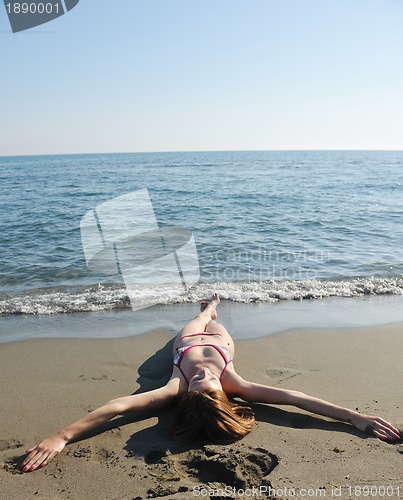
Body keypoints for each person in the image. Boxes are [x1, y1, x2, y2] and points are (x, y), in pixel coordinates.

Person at [22, 294, 401, 472]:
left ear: (188, 396)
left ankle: (206, 309)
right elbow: (295, 398)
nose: (204, 377)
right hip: (221, 343)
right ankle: (211, 310)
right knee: (213, 319)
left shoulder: (174, 388)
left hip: (184, 343)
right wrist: (353, 416)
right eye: (209, 383)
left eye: (201, 382)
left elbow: (117, 407)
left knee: (197, 319)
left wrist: (63, 435)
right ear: (223, 396)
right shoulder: (234, 383)